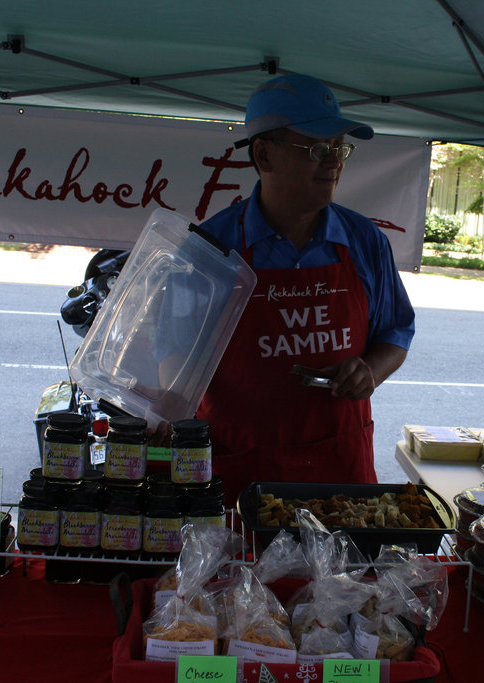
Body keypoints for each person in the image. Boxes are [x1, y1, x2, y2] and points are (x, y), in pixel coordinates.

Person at [194, 73, 416, 505]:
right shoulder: (212, 247)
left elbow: (395, 333)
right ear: (264, 155)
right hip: (241, 471)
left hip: (339, 469)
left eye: (338, 149)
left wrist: (370, 371)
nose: (333, 162)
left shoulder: (365, 241)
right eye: (316, 149)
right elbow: (170, 361)